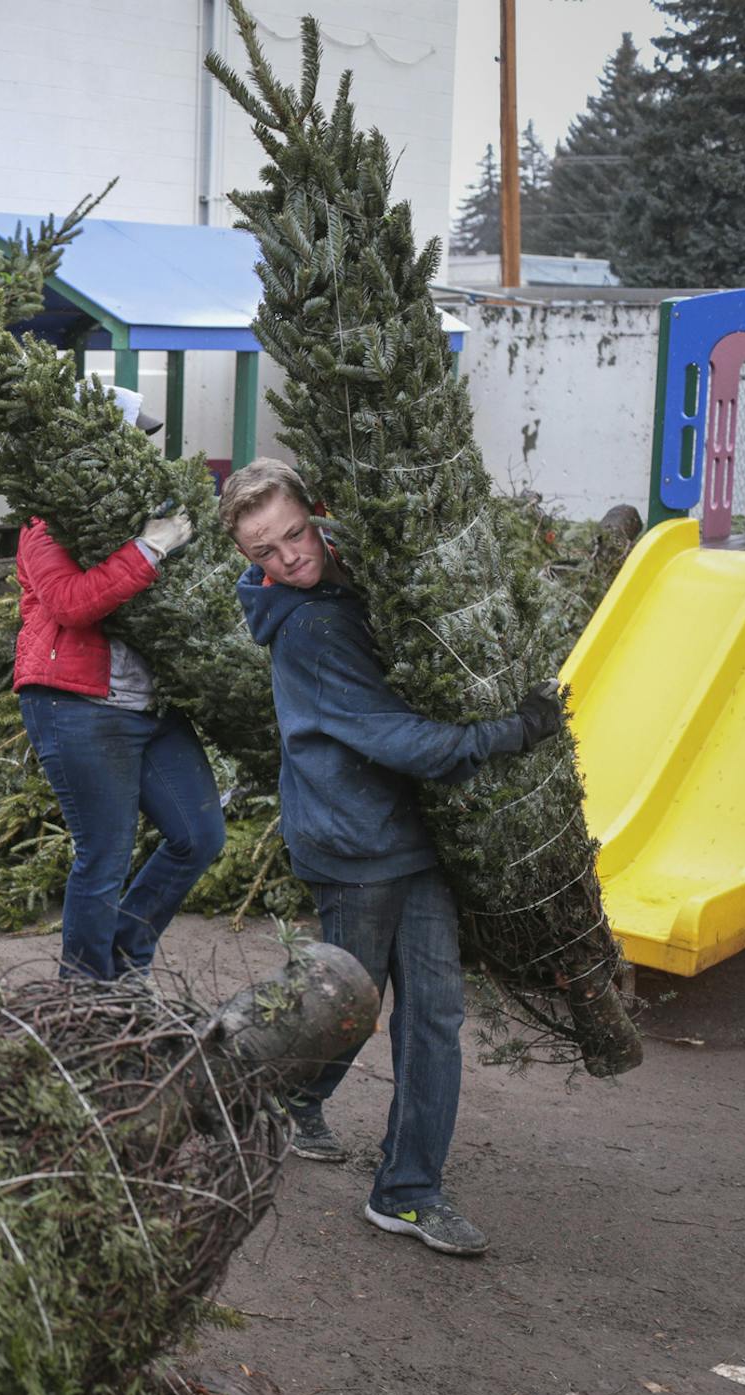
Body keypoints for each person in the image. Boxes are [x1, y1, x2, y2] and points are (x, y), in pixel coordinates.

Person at [222, 457, 565, 1258]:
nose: (289, 559)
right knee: (349, 1003)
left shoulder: (355, 563)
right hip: (351, 844)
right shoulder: (309, 628)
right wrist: (511, 730)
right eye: (264, 554)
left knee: (435, 1014)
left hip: (412, 837)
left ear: (319, 512)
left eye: (296, 534)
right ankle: (273, 1104)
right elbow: (398, 739)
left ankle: (407, 1191)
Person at [13, 488, 224, 985]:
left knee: (199, 837)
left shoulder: (151, 510)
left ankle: (124, 962)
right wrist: (149, 548)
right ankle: (86, 997)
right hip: (79, 703)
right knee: (105, 856)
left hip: (154, 707)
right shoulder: (45, 525)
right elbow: (70, 603)